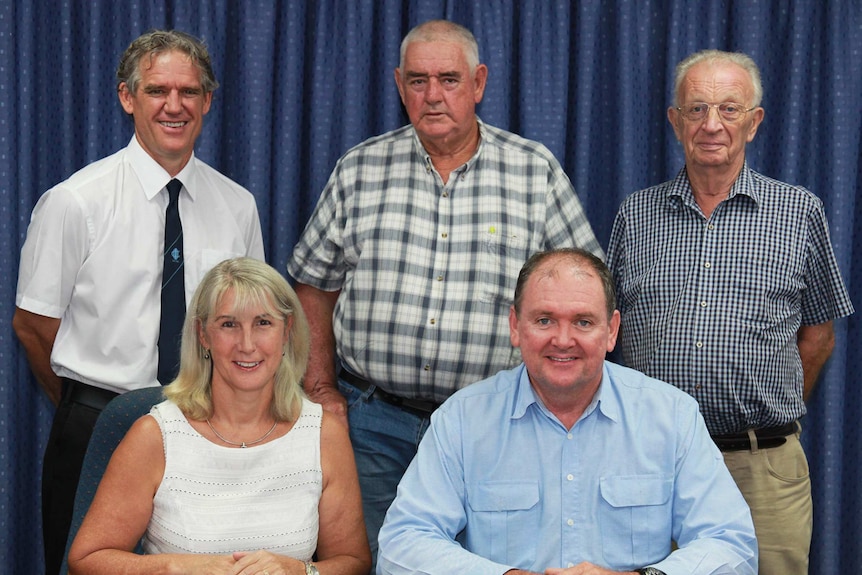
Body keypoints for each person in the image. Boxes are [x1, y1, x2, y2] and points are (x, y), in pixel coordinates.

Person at [287, 20, 601, 566]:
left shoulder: (533, 171)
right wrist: (319, 388)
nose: (433, 95)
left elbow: (586, 288)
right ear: (398, 84)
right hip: (372, 423)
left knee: (491, 563)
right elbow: (313, 285)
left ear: (478, 83)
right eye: (418, 80)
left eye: (449, 79)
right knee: (374, 561)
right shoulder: (360, 169)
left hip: (494, 427)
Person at [13, 30, 264, 574]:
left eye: (189, 92)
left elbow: (249, 324)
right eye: (157, 91)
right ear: (128, 97)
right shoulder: (75, 201)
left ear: (208, 101)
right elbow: (33, 326)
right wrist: (96, 405)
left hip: (206, 430)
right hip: (96, 425)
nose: (174, 106)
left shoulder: (238, 206)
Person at [606, 49, 854, 574]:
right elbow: (610, 331)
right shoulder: (636, 214)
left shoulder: (799, 212)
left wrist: (762, 411)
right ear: (675, 122)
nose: (712, 125)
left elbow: (819, 337)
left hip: (762, 467)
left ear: (755, 121)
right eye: (696, 109)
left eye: (729, 109)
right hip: (651, 468)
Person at [377, 248, 757, 575]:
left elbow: (732, 546)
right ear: (515, 326)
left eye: (583, 322)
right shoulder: (462, 420)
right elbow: (401, 547)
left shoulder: (671, 416)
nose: (562, 340)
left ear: (611, 331)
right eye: (544, 320)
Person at [67, 257, 371, 575]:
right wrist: (178, 568)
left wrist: (302, 571)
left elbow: (353, 563)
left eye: (263, 323)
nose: (247, 344)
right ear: (203, 335)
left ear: (287, 332)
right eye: (229, 324)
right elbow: (87, 560)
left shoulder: (324, 434)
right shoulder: (155, 436)